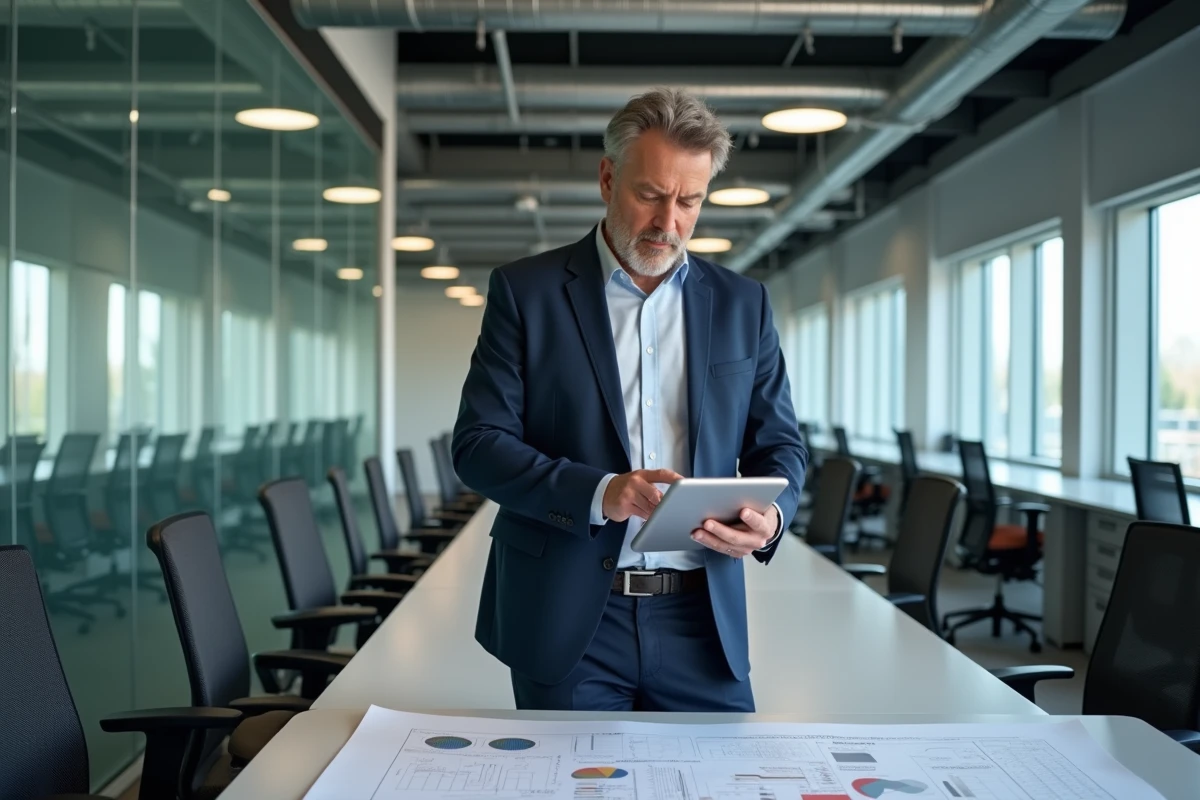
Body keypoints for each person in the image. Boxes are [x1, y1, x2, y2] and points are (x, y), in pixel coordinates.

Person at [452, 88, 807, 712]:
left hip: (703, 619)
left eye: (689, 201)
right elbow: (478, 446)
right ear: (608, 177)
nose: (668, 222)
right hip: (567, 618)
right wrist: (600, 491)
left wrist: (772, 520)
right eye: (650, 194)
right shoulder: (526, 293)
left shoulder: (742, 305)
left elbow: (780, 445)